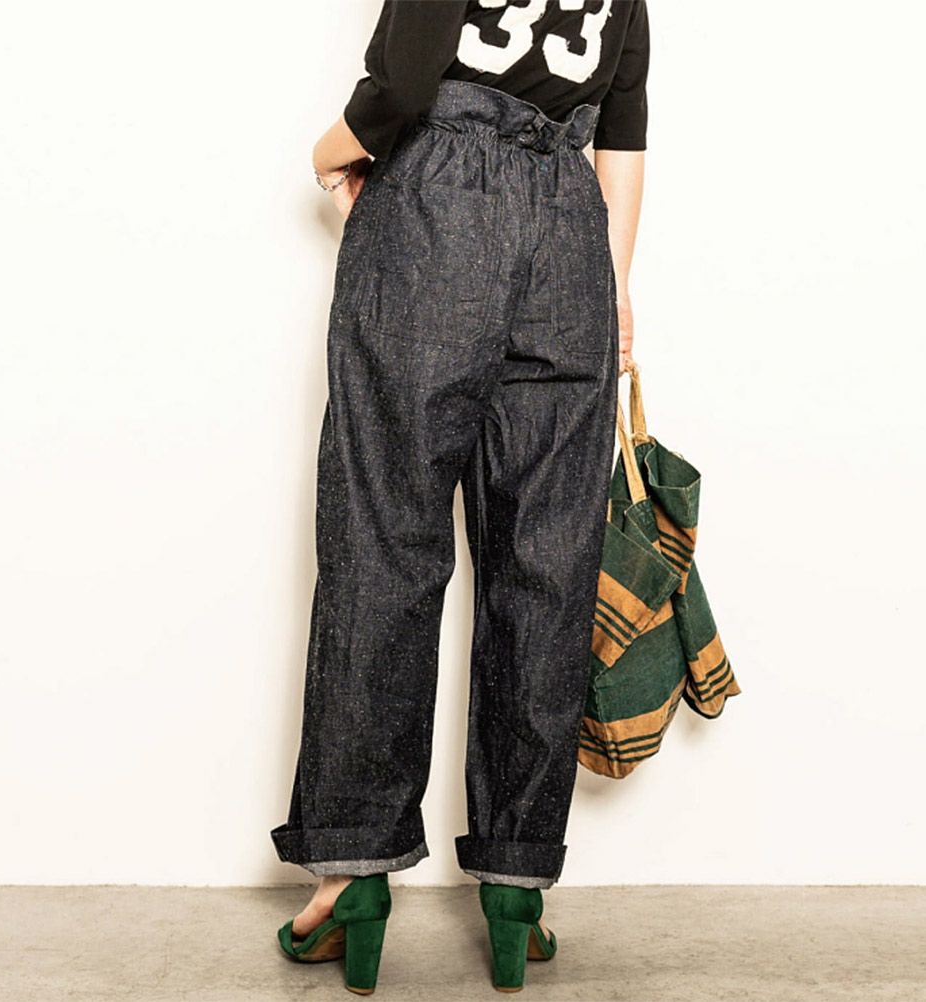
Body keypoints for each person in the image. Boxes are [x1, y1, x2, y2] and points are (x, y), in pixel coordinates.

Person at [271, 0, 649, 993]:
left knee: (383, 540)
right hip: (571, 236)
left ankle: (352, 874)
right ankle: (517, 888)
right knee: (546, 563)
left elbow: (402, 83)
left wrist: (329, 155)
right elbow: (624, 121)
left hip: (436, 210)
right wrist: (612, 290)